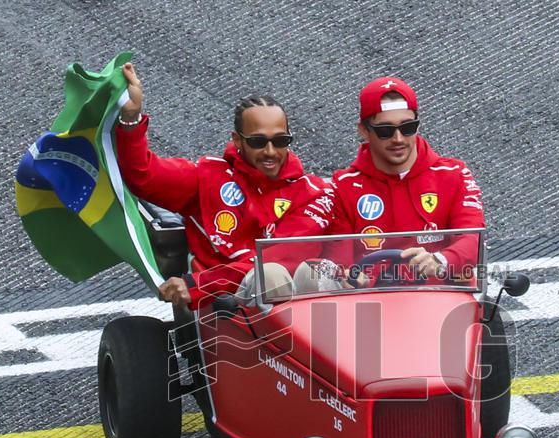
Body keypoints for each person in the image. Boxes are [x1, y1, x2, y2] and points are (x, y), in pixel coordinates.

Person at [114, 63, 333, 308]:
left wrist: (200, 285)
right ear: (237, 140)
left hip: (286, 307)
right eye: (258, 142)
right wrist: (131, 119)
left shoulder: (313, 194)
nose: (270, 152)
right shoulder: (209, 177)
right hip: (226, 311)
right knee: (271, 276)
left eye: (280, 141)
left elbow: (282, 258)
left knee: (315, 275)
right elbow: (142, 175)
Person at [320, 76, 484, 284]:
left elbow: (473, 240)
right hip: (372, 306)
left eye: (407, 127)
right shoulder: (342, 186)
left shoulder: (455, 174)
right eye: (385, 131)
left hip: (442, 301)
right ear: (364, 131)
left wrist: (440, 260)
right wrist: (348, 278)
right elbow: (337, 260)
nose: (398, 139)